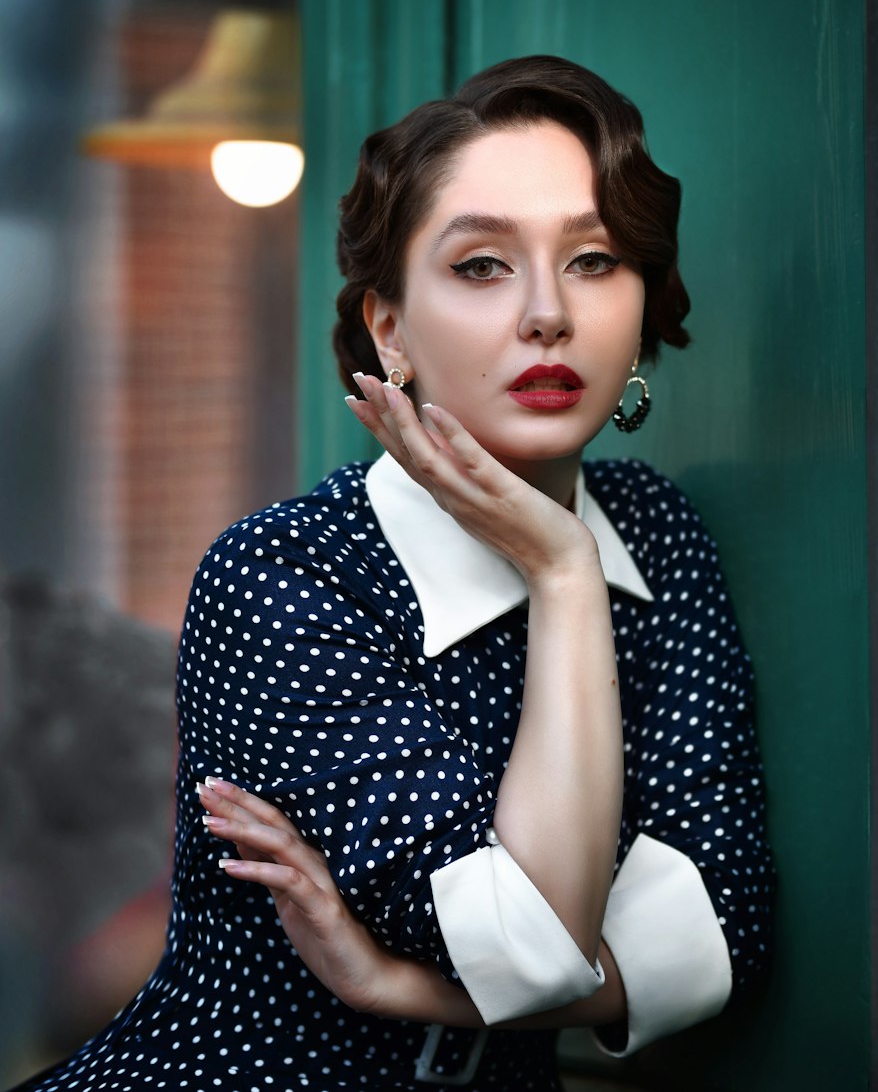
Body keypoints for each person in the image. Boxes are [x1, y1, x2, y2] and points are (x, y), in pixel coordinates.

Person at [13, 56, 773, 1091]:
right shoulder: (282, 573)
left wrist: (399, 985)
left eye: (593, 259)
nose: (547, 311)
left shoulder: (654, 530)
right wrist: (559, 572)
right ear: (388, 328)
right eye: (481, 265)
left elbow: (714, 935)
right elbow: (535, 942)